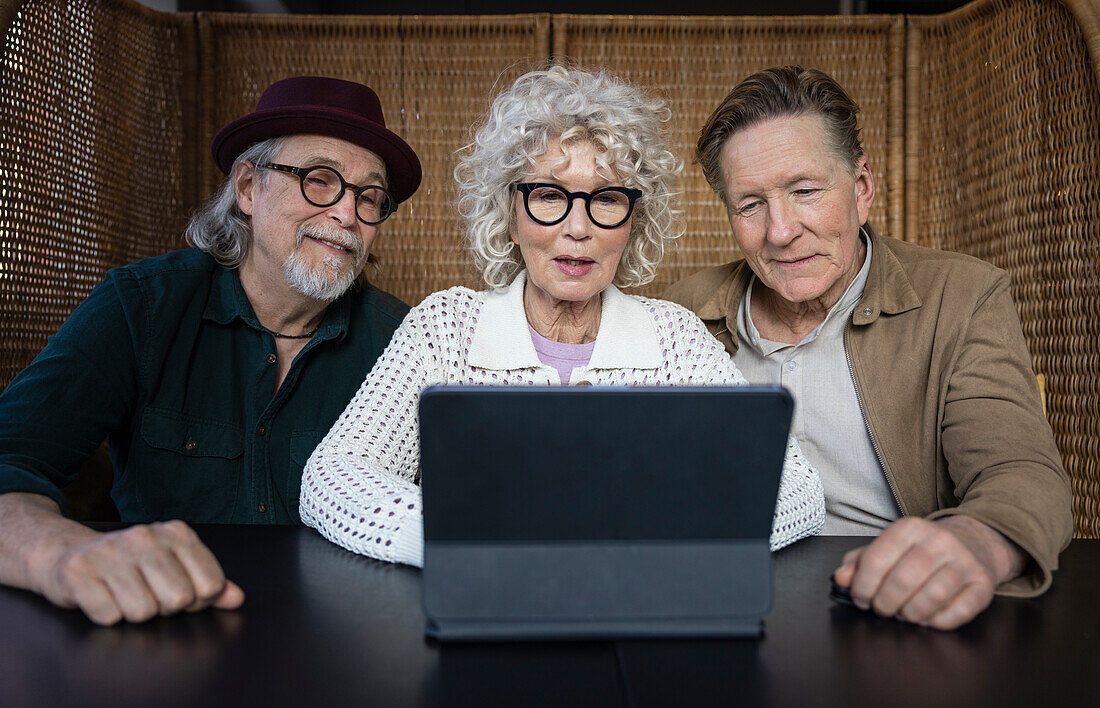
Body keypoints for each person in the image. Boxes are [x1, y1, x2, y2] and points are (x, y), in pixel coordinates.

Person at [300, 65, 825, 565]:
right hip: (486, 606)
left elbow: (796, 491)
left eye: (607, 199)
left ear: (633, 221)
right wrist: (471, 536)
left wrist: (656, 536)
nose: (579, 228)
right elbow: (332, 475)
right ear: (508, 213)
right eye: (549, 195)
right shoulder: (444, 327)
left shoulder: (675, 338)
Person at [0, 76, 421, 624]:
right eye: (320, 180)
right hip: (162, 638)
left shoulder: (405, 342)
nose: (347, 214)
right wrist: (62, 554)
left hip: (343, 647)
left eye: (369, 197)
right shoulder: (142, 308)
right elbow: (11, 458)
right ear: (248, 187)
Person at [664, 66, 1072, 630]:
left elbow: (1020, 471)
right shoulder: (684, 312)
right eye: (750, 205)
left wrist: (976, 541)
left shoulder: (960, 297)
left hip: (890, 611)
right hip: (723, 605)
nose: (780, 231)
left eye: (805, 191)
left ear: (862, 187)